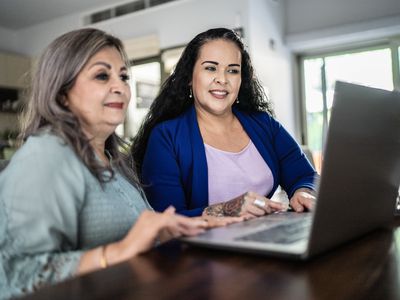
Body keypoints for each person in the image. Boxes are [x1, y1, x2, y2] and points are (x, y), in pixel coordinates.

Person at [0, 28, 241, 299]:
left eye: (123, 76)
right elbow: (14, 278)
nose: (120, 87)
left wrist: (173, 228)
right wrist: (117, 252)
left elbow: (138, 233)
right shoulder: (45, 156)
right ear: (62, 92)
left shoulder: (116, 161)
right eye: (102, 75)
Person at [131, 28, 317, 218]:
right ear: (189, 77)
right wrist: (226, 210)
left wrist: (303, 192)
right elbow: (166, 221)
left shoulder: (264, 124)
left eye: (233, 70)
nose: (222, 79)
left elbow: (304, 175)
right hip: (203, 247)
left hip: (267, 239)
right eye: (210, 68)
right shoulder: (166, 137)